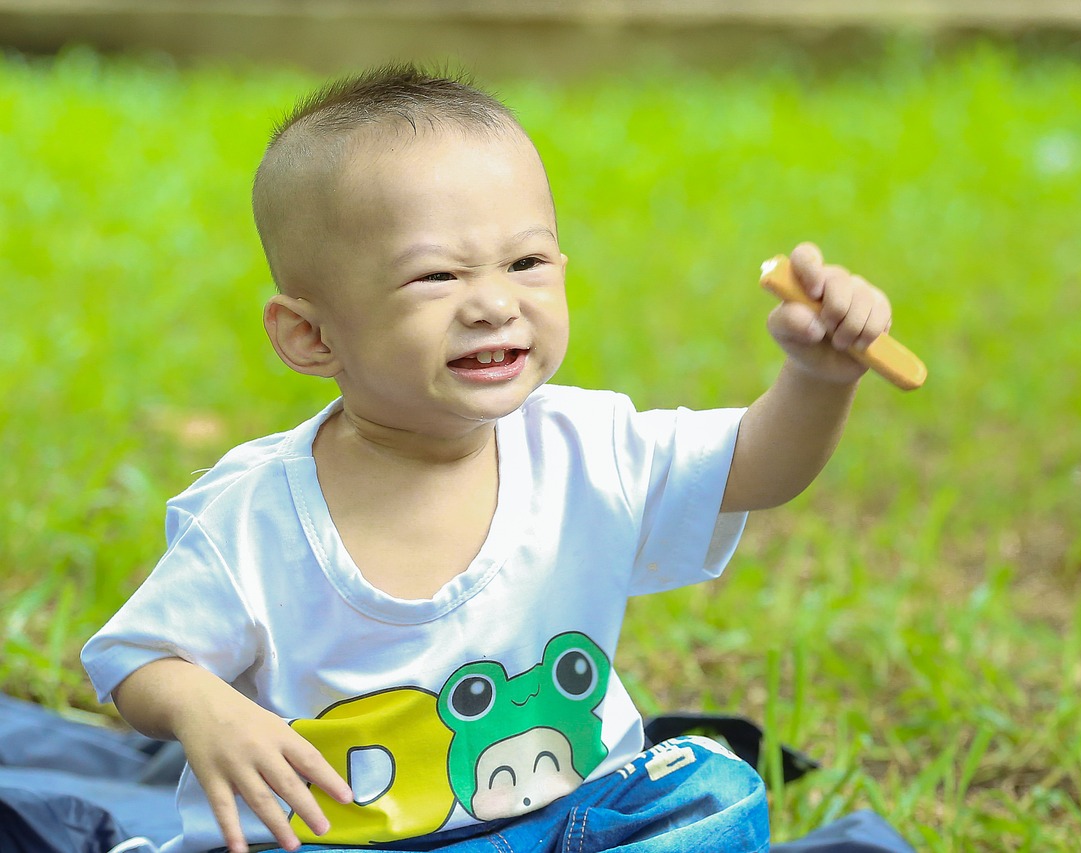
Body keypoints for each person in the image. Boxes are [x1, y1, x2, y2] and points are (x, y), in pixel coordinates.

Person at [81, 63, 894, 853]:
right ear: (311, 334)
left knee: (713, 788)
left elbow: (755, 466)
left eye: (526, 263)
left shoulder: (589, 447)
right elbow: (136, 656)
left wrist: (819, 378)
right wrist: (206, 709)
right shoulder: (254, 516)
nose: (496, 302)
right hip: (348, 841)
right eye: (436, 275)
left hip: (564, 820)